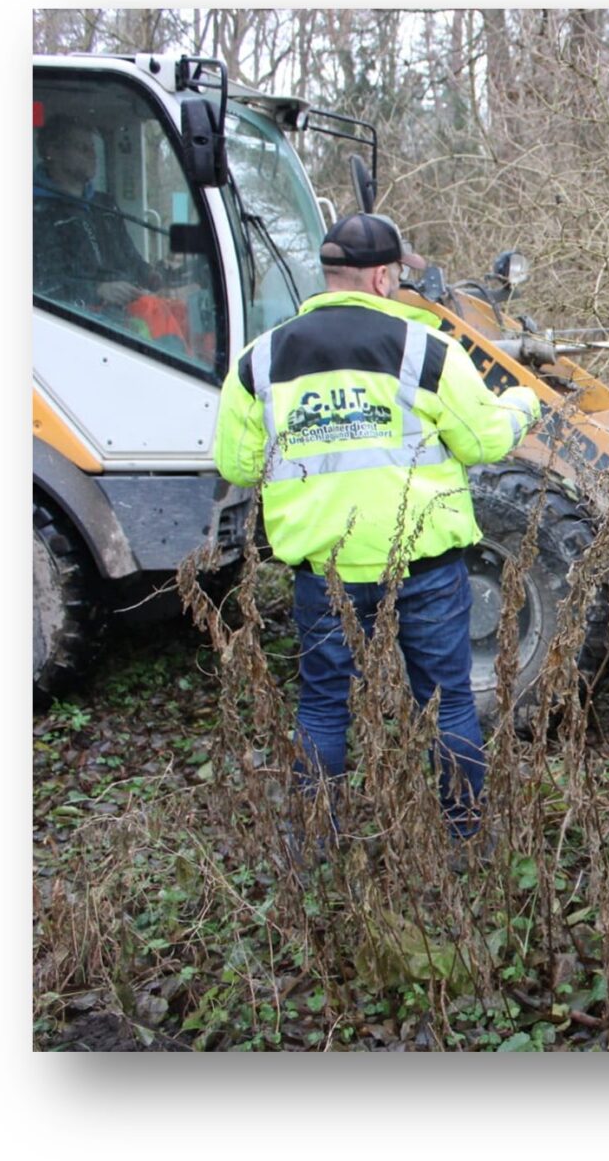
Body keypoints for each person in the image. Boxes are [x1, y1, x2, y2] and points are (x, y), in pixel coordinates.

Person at [211, 212, 541, 848]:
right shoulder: (423, 349)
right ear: (385, 276)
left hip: (324, 575)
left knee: (322, 707)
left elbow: (238, 463)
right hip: (422, 570)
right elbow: (484, 440)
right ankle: (465, 838)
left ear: (329, 275)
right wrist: (524, 401)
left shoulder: (263, 358)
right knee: (447, 707)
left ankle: (316, 844)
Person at [33, 115, 160, 312]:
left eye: (92, 147)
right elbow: (42, 285)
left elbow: (130, 259)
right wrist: (97, 290)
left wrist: (154, 277)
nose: (92, 154)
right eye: (82, 148)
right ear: (52, 152)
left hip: (124, 314)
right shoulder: (37, 211)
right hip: (80, 321)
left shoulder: (105, 205)